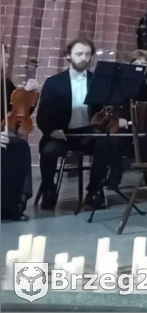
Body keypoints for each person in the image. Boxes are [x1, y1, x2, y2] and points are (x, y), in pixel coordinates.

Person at [36, 38, 125, 210]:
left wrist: (112, 114)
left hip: (87, 132)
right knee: (48, 151)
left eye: (87, 54)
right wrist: (51, 130)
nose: (83, 58)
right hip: (61, 133)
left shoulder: (96, 81)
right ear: (68, 56)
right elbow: (42, 115)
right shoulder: (54, 82)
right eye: (79, 54)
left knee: (106, 142)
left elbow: (102, 109)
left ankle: (94, 190)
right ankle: (48, 189)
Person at [1, 71, 39, 221]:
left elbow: (18, 110)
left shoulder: (5, 84)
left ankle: (9, 206)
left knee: (18, 146)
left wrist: (29, 93)